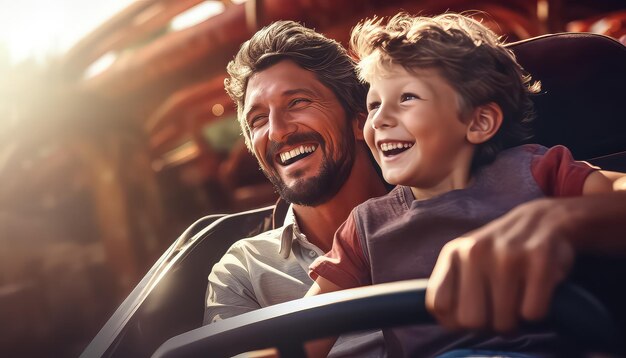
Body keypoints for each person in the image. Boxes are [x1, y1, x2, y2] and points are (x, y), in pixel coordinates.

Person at [307, 12, 626, 357]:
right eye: (373, 104)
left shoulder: (535, 169)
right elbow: (302, 332)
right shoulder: (365, 227)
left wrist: (561, 219)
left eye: (407, 97)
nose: (379, 119)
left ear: (480, 121)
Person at [203, 20, 389, 356]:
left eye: (297, 102)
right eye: (258, 119)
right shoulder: (242, 270)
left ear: (360, 121)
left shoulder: (445, 208)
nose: (276, 131)